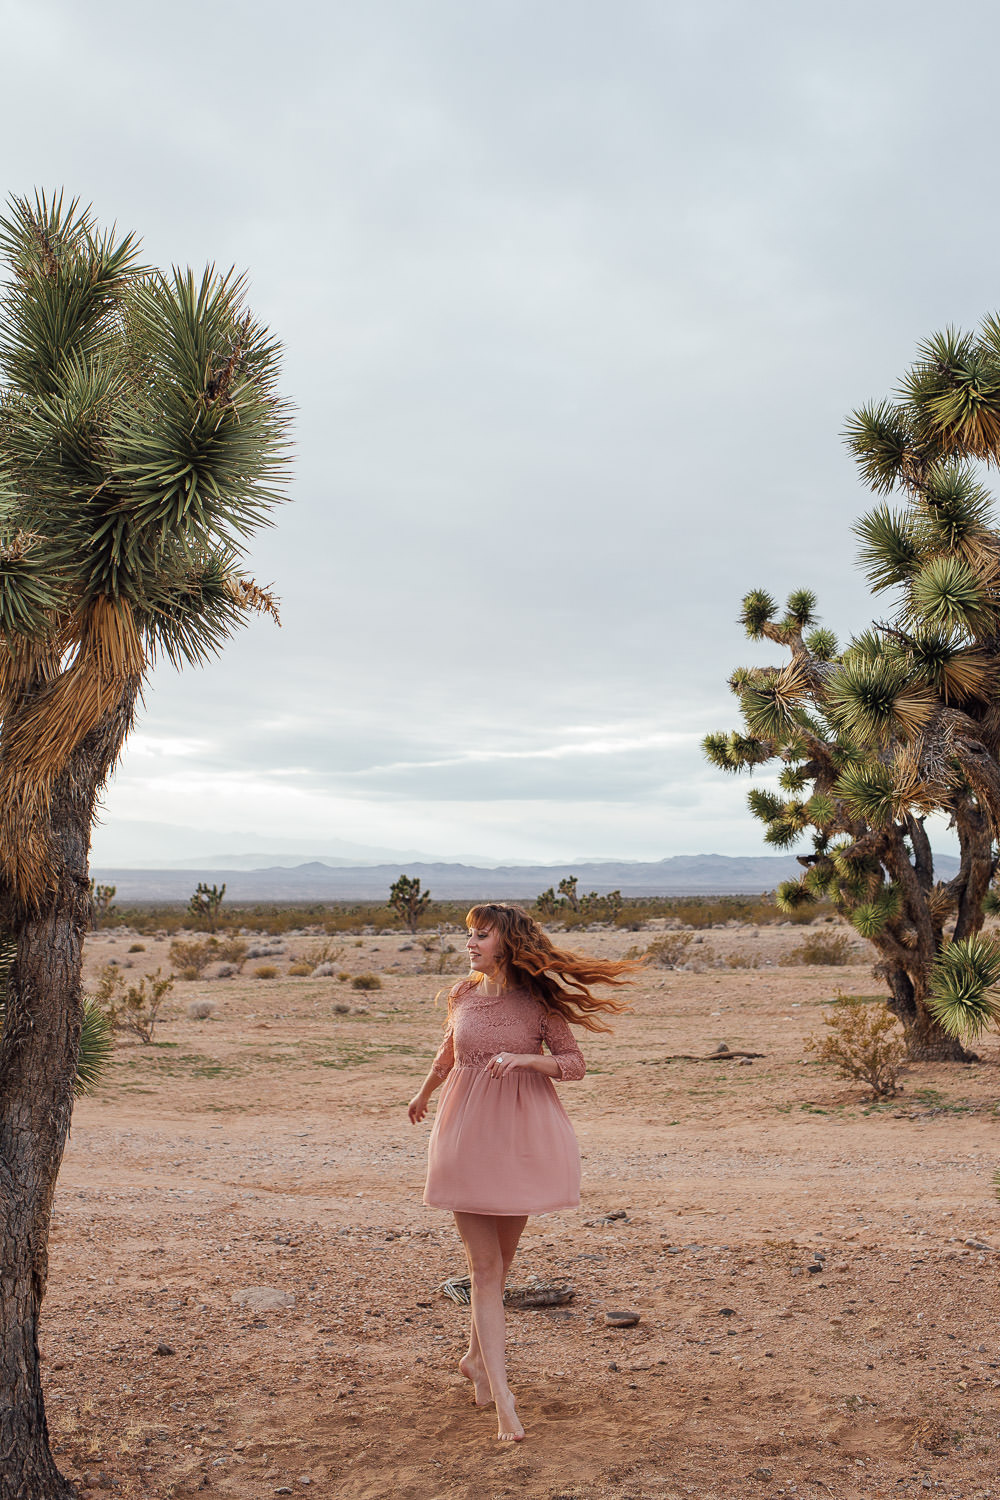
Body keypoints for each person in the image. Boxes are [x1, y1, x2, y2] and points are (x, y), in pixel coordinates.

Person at [407, 901, 639, 1443]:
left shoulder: (537, 1004)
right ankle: (503, 1400)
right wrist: (421, 1094)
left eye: (481, 936)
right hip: (465, 1139)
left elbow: (574, 1065)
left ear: (506, 943)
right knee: (485, 1273)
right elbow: (447, 1055)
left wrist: (527, 1060)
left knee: (498, 1271)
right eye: (469, 935)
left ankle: (474, 1359)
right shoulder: (463, 995)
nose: (469, 945)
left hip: (519, 1142)